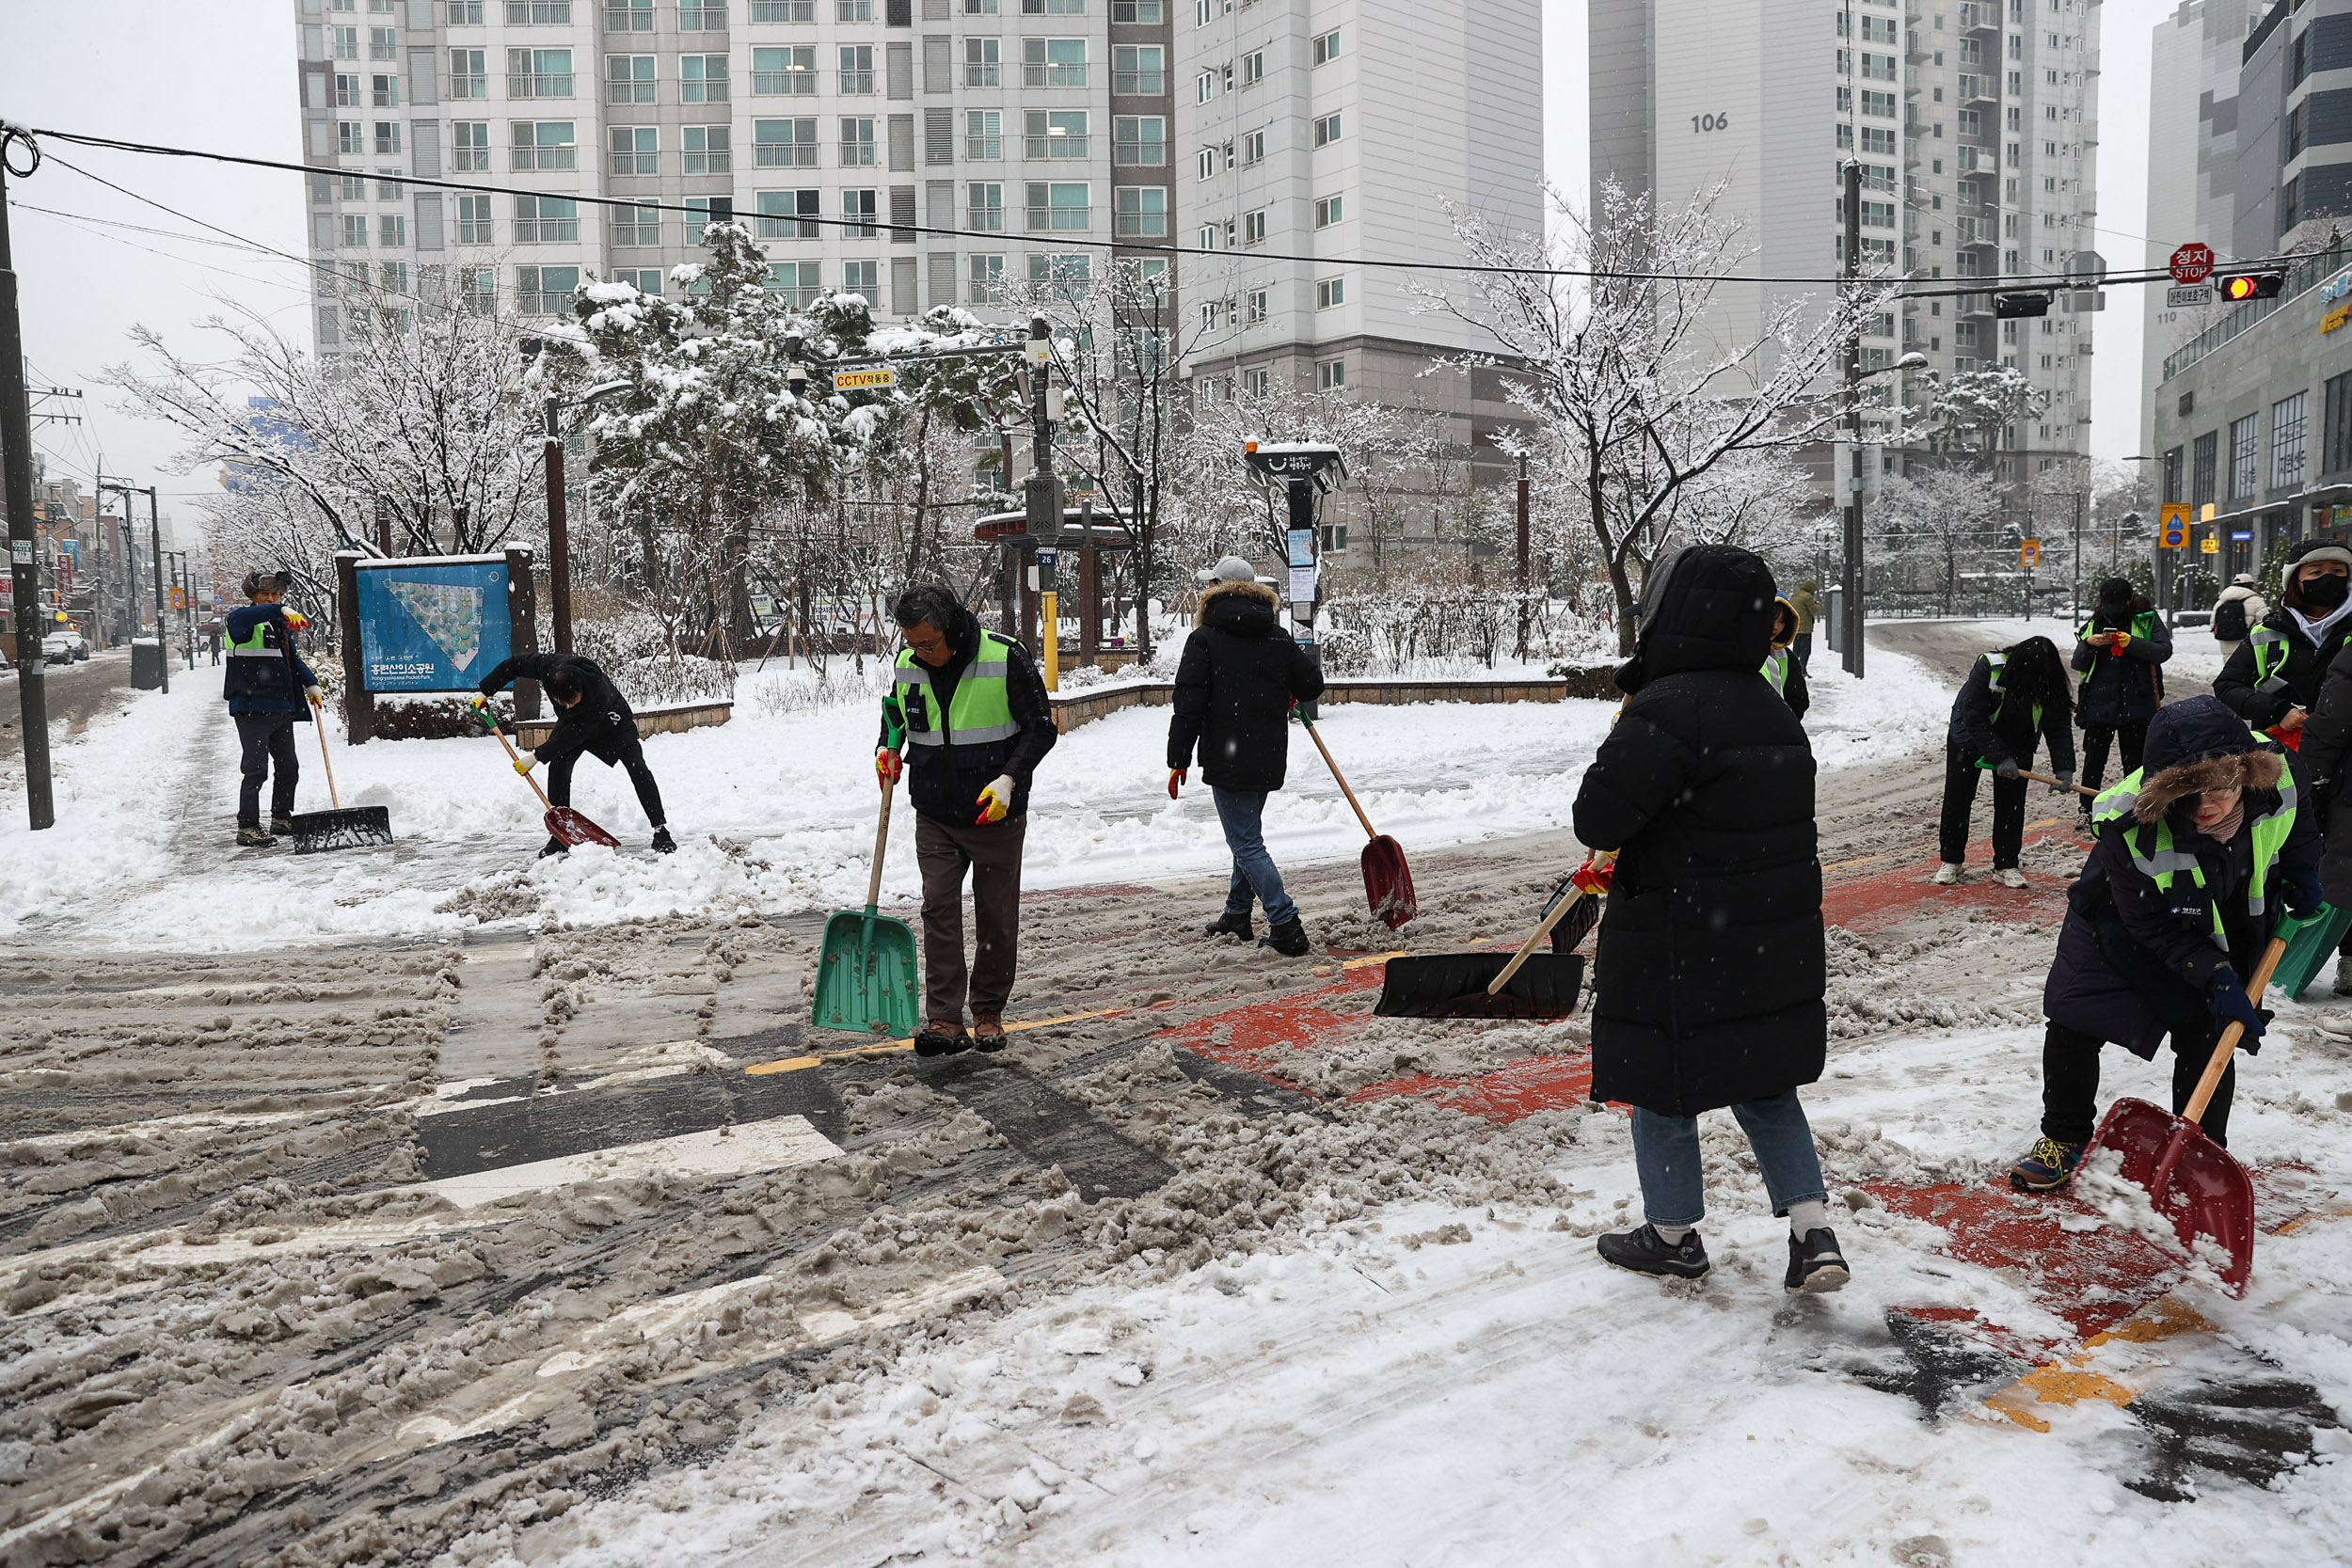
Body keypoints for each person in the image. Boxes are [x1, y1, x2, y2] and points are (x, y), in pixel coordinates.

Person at [1573, 544, 1849, 1294]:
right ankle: (1813, 1231)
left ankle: (1671, 1234)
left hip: (1679, 936)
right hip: (1769, 937)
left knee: (1663, 1080)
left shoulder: (1668, 706)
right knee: (1765, 1083)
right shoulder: (1773, 709)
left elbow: (1598, 813)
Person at [2010, 696, 2318, 1190]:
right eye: (2187, 794)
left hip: (2227, 911)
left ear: (2245, 771)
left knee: (2211, 1032)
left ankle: (2201, 1156)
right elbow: (2148, 924)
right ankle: (2063, 1138)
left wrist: (2304, 871)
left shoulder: (2279, 770)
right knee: (2075, 1016)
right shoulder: (2128, 826)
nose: (2204, 807)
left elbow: (2298, 824)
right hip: (2119, 916)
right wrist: (2214, 975)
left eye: (2218, 789)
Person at [877, 585, 1058, 1056]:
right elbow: (895, 713)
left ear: (952, 627)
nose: (921, 652)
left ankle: (988, 1012)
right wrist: (886, 746)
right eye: (913, 643)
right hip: (934, 810)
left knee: (995, 914)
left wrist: (1009, 779)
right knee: (938, 908)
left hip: (993, 810)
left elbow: (1042, 726)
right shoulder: (907, 664)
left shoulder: (1005, 657)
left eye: (929, 643)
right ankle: (944, 1018)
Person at [1167, 555, 1326, 955]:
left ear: (1215, 590)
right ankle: (1238, 914)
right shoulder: (1278, 635)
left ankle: (1286, 923)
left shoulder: (1204, 639)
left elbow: (1189, 704)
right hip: (1269, 754)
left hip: (1228, 756)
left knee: (1246, 843)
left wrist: (1178, 758)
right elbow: (1312, 685)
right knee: (1246, 838)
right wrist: (1284, 679)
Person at [473, 652, 674, 857]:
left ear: (581, 690)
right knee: (558, 767)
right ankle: (560, 836)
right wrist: (485, 691)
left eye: (572, 702)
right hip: (574, 725)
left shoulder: (597, 690)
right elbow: (514, 664)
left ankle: (661, 830)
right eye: (563, 703)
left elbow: (574, 735)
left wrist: (536, 756)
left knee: (637, 768)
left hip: (613, 724)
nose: (568, 706)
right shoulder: (549, 668)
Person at [1934, 635, 2076, 888]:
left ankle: (2006, 864)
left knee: (2011, 805)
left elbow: (2058, 726)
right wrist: (1999, 757)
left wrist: (2064, 769)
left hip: (2018, 740)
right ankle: (1951, 859)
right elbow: (1974, 717)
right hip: (1969, 736)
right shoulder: (1991, 667)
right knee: (1959, 797)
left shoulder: (2048, 679)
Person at [2214, 539, 2352, 747]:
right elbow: (2227, 687)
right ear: (2295, 580)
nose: (2328, 578)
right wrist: (2278, 710)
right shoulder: (2267, 633)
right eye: (2316, 572)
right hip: (2279, 755)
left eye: (2337, 571)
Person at [223, 570, 323, 847]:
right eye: (265, 594)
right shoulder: (240, 620)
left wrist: (311, 684)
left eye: (276, 594)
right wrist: (280, 608)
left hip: (280, 707)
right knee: (256, 769)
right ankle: (248, 826)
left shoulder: (278, 627)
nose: (271, 599)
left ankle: (281, 816)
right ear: (253, 597)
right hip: (251, 706)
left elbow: (293, 660)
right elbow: (248, 617)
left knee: (289, 766)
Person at [2072, 577, 2171, 821]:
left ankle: (2135, 806)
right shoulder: (2095, 622)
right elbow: (2078, 663)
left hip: (2137, 699)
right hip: (2099, 701)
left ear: (2129, 600)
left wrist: (2131, 642)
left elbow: (2163, 651)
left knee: (2135, 762)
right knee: (2094, 760)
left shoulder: (2146, 618)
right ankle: (2087, 806)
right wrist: (2089, 645)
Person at [1763, 594, 1810, 720]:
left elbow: (1798, 699)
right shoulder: (1740, 653)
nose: (1776, 627)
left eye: (1782, 621)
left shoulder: (1787, 657)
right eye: (1772, 618)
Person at [2210, 571, 2268, 656]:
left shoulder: (2221, 602)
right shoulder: (2256, 601)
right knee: (2247, 667)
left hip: (2225, 642)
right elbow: (2265, 623)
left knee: (2230, 665)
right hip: (2248, 644)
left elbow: (2213, 624)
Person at [1788, 578, 1820, 670]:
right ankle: (1802, 669)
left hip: (1796, 627)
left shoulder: (1795, 595)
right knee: (1805, 651)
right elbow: (1814, 610)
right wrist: (1818, 604)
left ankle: (1793, 668)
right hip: (1805, 629)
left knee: (1796, 650)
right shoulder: (1808, 597)